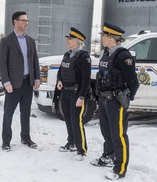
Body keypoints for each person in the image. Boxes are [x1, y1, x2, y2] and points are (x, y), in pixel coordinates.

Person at [90, 22, 139, 180]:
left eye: (103, 36)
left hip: (116, 101)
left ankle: (120, 168)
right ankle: (108, 156)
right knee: (107, 132)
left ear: (111, 38)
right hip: (104, 99)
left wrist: (125, 99)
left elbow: (133, 82)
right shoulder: (106, 53)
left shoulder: (123, 56)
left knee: (119, 135)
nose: (102, 38)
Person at [0, 11, 40, 151]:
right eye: (23, 20)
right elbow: (2, 64)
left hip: (28, 83)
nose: (26, 23)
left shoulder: (31, 41)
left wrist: (37, 78)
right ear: (15, 22)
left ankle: (25, 137)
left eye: (27, 20)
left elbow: (35, 61)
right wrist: (6, 82)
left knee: (26, 112)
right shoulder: (6, 41)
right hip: (13, 85)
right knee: (8, 113)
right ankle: (6, 141)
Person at [56, 27, 91, 161]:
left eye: (70, 39)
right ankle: (71, 143)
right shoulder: (67, 55)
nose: (68, 41)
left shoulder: (84, 57)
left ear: (77, 42)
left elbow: (86, 79)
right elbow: (60, 70)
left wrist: (81, 97)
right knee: (68, 119)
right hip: (65, 92)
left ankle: (81, 150)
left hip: (76, 94)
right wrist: (59, 80)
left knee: (77, 121)